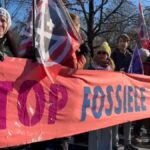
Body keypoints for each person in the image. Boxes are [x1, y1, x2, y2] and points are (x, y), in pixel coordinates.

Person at [111, 34, 138, 150]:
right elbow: (109, 70)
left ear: (128, 43)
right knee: (116, 117)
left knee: (128, 117)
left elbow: (136, 70)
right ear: (117, 43)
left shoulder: (131, 56)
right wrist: (117, 72)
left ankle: (127, 142)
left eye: (126, 41)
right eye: (121, 41)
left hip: (128, 90)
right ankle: (115, 143)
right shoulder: (113, 55)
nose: (123, 43)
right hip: (116, 90)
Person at [88, 41, 114, 150]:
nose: (102, 54)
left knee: (107, 132)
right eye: (99, 52)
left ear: (108, 55)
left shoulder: (112, 69)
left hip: (107, 104)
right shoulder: (89, 67)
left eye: (104, 52)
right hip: (93, 104)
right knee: (94, 132)